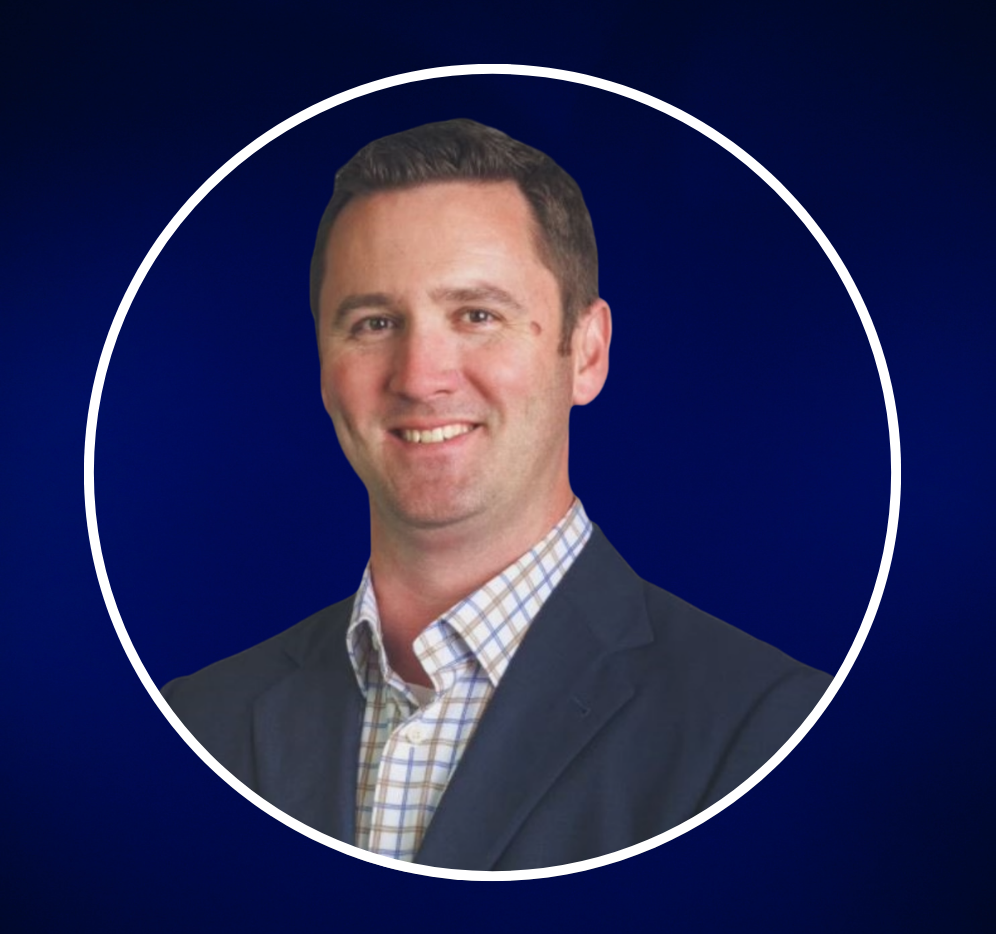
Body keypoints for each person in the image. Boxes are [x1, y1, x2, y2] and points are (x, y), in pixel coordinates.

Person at [163, 119, 832, 871]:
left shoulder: (770, 733)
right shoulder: (197, 726)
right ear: (322, 363)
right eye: (374, 322)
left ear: (587, 353)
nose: (421, 377)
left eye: (477, 316)